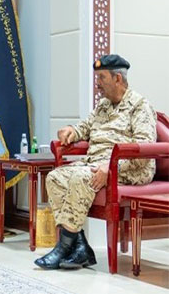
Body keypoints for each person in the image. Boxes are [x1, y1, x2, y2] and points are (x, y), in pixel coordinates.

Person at [35, 54, 157, 270]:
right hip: (96, 163)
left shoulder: (139, 106)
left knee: (81, 178)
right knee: (55, 177)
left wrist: (110, 167)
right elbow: (86, 127)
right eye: (97, 78)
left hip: (129, 168)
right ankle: (80, 246)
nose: (97, 83)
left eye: (102, 78)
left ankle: (63, 248)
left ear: (117, 78)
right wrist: (72, 131)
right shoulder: (103, 106)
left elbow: (143, 149)